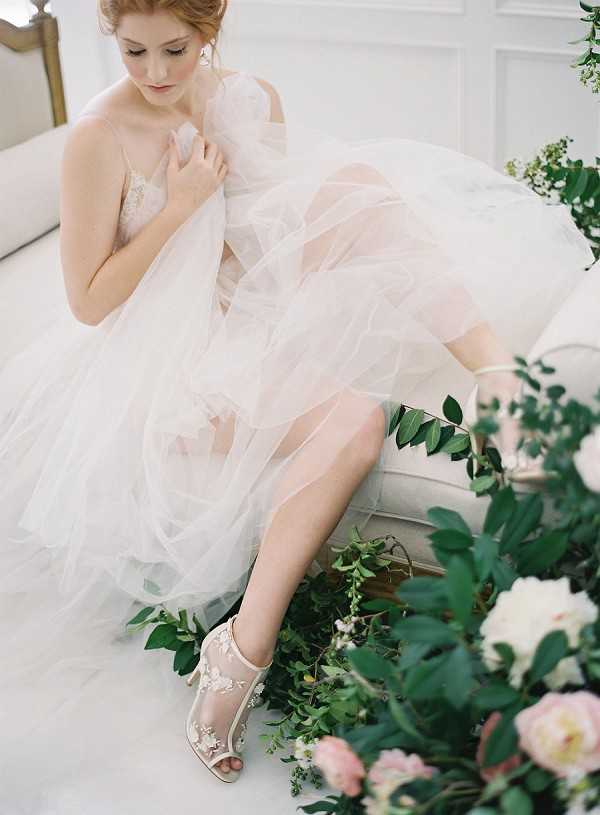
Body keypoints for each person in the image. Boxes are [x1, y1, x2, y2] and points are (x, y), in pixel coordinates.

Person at [0, 0, 594, 801]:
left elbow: (254, 236)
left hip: (234, 307)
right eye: (135, 51)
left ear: (210, 27)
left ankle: (500, 379)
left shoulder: (247, 98)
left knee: (363, 191)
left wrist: (295, 267)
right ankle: (240, 652)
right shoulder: (97, 139)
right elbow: (91, 301)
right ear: (112, 34)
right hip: (158, 358)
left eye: (176, 49)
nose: (155, 73)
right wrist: (178, 205)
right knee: (354, 419)